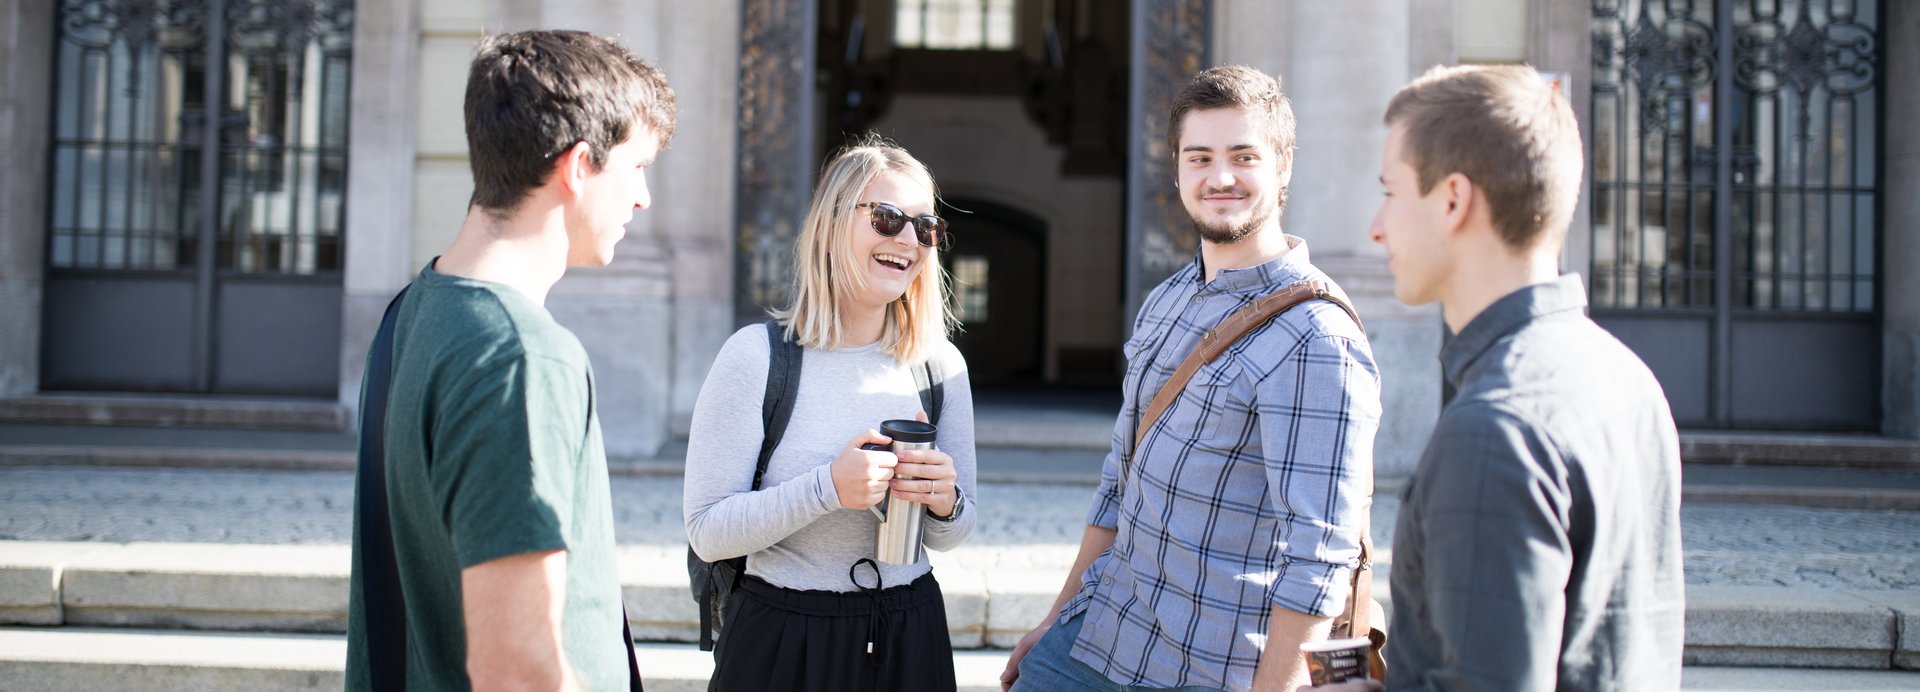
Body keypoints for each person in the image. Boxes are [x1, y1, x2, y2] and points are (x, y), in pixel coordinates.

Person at [1001, 65, 1382, 692]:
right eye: (1199, 157)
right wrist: (1054, 619)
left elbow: (1320, 559)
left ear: (1283, 165)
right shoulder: (1168, 299)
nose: (1220, 177)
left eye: (1243, 156)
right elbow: (1118, 485)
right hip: (1098, 632)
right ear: (1175, 169)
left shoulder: (1316, 338)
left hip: (1210, 668)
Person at [1316, 64, 1685, 691]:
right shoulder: (1627, 377)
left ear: (1454, 200)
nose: (1376, 226)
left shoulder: (1496, 430)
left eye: (1390, 191)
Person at [344, 30, 675, 691]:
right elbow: (515, 670)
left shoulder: (416, 310)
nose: (643, 199)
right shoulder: (518, 356)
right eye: (637, 169)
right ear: (579, 166)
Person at [683, 136, 978, 692]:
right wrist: (828, 488)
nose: (908, 240)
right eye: (888, 218)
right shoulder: (757, 357)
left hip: (909, 633)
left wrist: (945, 499)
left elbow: (952, 534)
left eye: (924, 226)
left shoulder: (940, 366)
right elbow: (708, 532)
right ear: (833, 222)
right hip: (782, 638)